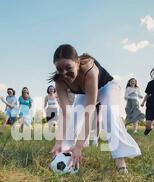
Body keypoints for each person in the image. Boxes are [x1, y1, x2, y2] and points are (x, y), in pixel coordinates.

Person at [49, 44, 141, 174]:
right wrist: (59, 142)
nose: (64, 74)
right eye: (59, 69)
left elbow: (89, 112)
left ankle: (120, 159)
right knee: (74, 119)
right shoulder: (59, 81)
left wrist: (79, 146)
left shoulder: (89, 70)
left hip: (107, 87)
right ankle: (65, 152)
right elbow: (65, 114)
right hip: (84, 92)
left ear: (78, 62)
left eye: (68, 68)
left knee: (109, 115)